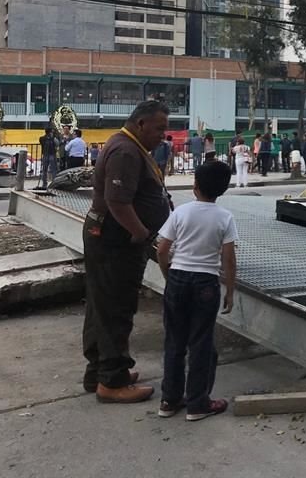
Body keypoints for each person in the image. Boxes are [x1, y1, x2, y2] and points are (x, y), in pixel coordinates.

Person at [82, 100, 172, 403]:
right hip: (115, 240)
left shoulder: (130, 146)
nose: (163, 135)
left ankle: (99, 371)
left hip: (112, 238)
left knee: (101, 303)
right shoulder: (125, 151)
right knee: (115, 308)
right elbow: (118, 202)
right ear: (141, 124)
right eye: (159, 128)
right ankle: (113, 380)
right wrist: (140, 233)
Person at [155, 160, 237, 421]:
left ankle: (169, 400)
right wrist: (230, 291)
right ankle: (197, 403)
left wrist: (169, 275)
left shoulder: (181, 212)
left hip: (178, 278)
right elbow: (228, 259)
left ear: (195, 187)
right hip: (206, 283)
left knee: (174, 342)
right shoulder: (225, 217)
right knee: (201, 343)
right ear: (222, 190)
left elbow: (163, 250)